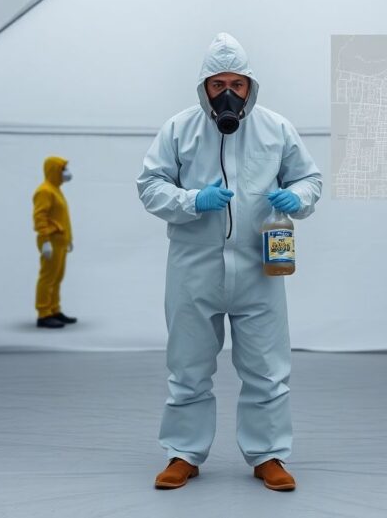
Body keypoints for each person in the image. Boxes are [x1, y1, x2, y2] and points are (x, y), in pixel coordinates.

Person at [137, 33, 322, 491]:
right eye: (218, 83)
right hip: (194, 268)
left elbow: (310, 179)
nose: (227, 94)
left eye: (236, 84)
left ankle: (269, 455)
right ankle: (183, 452)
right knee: (188, 366)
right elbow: (150, 185)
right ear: (204, 87)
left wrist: (294, 197)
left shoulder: (276, 128)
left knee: (267, 367)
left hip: (260, 269)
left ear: (249, 87)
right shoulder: (179, 129)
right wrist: (192, 199)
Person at [33, 156, 77, 329]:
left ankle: (54, 310)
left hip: (60, 241)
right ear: (54, 170)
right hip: (51, 240)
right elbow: (40, 217)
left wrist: (69, 239)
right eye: (63, 169)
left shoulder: (55, 190)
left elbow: (62, 218)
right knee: (48, 278)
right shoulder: (44, 191)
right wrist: (44, 241)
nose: (66, 172)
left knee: (57, 277)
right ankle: (43, 314)